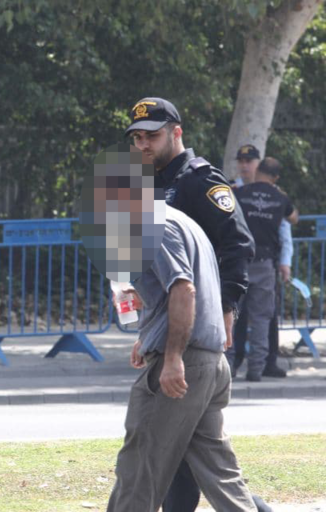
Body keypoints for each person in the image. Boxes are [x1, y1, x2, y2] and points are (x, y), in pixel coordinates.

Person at [126, 98, 270, 512]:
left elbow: (238, 243)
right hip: (174, 333)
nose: (143, 145)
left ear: (176, 132)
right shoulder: (150, 185)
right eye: (137, 138)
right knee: (197, 465)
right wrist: (149, 330)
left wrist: (228, 309)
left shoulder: (197, 180)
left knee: (179, 466)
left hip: (196, 338)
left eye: (151, 135)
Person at [103, 172, 256, 512]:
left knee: (140, 463)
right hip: (210, 362)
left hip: (184, 361)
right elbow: (181, 289)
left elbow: (183, 289)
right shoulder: (182, 222)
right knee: (220, 473)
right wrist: (148, 334)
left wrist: (171, 356)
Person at [229, 158, 299, 382]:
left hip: (239, 260)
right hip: (264, 263)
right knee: (261, 318)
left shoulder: (239, 192)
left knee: (230, 313)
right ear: (276, 178)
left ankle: (228, 365)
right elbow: (293, 217)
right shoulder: (280, 197)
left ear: (257, 170)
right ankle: (256, 369)